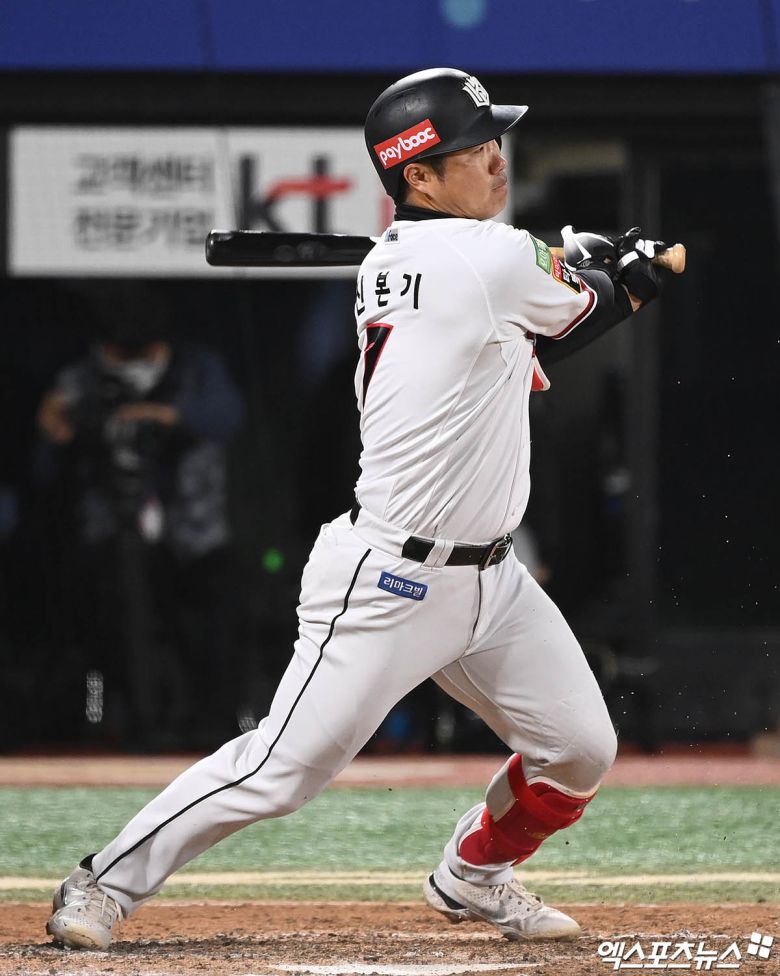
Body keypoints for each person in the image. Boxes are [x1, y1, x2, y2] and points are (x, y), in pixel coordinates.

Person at [46, 68, 664, 949]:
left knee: (579, 750)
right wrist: (627, 271)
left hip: (494, 582)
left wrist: (582, 267)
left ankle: (474, 874)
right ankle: (102, 881)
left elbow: (535, 327)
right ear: (420, 175)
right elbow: (595, 304)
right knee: (281, 769)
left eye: (494, 140)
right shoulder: (484, 258)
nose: (497, 158)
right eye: (475, 148)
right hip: (392, 583)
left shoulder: (406, 261)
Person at [36, 294, 245, 748]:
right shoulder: (82, 379)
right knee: (113, 615)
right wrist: (56, 429)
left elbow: (229, 416)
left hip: (195, 534)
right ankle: (130, 721)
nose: (127, 360)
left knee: (215, 620)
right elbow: (47, 459)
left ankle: (212, 726)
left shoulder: (195, 369)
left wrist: (170, 417)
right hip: (112, 535)